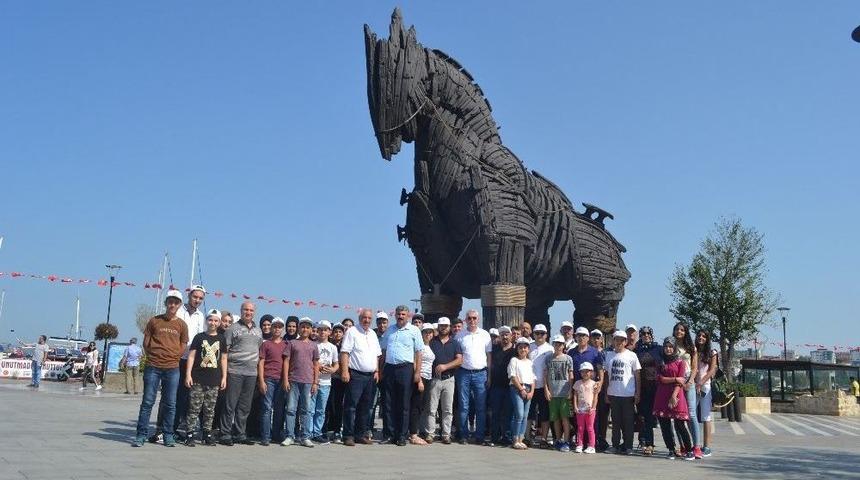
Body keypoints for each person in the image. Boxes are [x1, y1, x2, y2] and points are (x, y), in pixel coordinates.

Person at [133, 289, 189, 447]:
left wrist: (175, 356)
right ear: (166, 303)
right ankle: (141, 434)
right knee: (147, 402)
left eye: (176, 302)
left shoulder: (182, 325)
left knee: (170, 403)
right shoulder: (154, 321)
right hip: (153, 367)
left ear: (179, 305)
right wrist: (152, 355)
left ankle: (168, 435)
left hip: (172, 368)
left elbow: (184, 344)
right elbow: (146, 341)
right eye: (170, 302)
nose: (173, 305)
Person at [219, 301, 262, 446]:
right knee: (230, 404)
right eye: (246, 310)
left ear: (254, 312)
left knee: (245, 406)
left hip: (251, 373)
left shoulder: (258, 331)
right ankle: (225, 433)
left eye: (251, 310)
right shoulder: (232, 328)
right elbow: (225, 351)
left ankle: (239, 433)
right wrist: (224, 373)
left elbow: (257, 349)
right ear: (241, 310)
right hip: (234, 371)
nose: (248, 312)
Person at [380, 306, 424, 446]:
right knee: (388, 402)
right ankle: (389, 434)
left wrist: (417, 373)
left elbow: (419, 353)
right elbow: (383, 351)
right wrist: (380, 370)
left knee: (404, 404)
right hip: (389, 368)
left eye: (403, 314)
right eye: (398, 314)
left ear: (408, 315)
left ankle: (401, 435)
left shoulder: (414, 330)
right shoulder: (389, 330)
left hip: (405, 368)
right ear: (395, 315)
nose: (400, 316)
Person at [184, 309, 227, 446]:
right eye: (210, 320)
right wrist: (188, 374)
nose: (213, 323)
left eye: (215, 320)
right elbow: (191, 356)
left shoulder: (221, 339)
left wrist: (224, 377)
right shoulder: (199, 337)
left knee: (210, 409)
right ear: (206, 321)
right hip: (198, 378)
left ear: (219, 323)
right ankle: (189, 433)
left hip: (214, 379)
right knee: (194, 408)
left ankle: (206, 433)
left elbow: (224, 359)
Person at [339, 308, 382, 446]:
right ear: (359, 318)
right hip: (356, 374)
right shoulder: (352, 331)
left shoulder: (373, 334)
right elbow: (345, 352)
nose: (367, 320)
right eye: (364, 317)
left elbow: (377, 355)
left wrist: (377, 370)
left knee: (365, 407)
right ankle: (348, 435)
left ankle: (360, 434)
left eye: (369, 318)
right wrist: (344, 371)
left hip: (370, 376)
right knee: (351, 406)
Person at [171, 284, 206, 439]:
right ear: (189, 296)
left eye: (200, 298)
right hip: (174, 358)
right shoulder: (178, 311)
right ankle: (164, 428)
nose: (197, 300)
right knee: (171, 394)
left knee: (185, 396)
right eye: (195, 297)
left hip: (190, 361)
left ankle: (179, 426)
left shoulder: (200, 316)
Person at [455, 309, 492, 445]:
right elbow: (456, 356)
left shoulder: (485, 335)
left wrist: (489, 375)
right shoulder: (459, 336)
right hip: (463, 373)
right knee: (463, 406)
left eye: (474, 318)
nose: (472, 320)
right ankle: (463, 435)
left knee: (480, 407)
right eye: (469, 318)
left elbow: (489, 356)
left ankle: (479, 436)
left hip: (481, 373)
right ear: (465, 320)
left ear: (478, 319)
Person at [281, 317, 320, 447]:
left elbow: (316, 364)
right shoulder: (292, 343)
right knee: (290, 409)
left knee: (306, 410)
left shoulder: (314, 345)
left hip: (308, 382)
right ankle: (290, 436)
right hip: (293, 380)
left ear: (311, 330)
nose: (305, 329)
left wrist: (315, 382)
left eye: (307, 327)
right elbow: (286, 361)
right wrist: (285, 379)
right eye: (302, 327)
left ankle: (305, 437)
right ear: (299, 328)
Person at [654, 336, 694, 461]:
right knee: (665, 425)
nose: (668, 349)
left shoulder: (680, 362)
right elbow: (660, 379)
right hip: (662, 395)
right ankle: (671, 449)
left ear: (675, 348)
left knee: (680, 424)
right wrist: (675, 379)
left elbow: (681, 381)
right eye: (666, 346)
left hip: (676, 396)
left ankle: (689, 450)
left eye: (671, 347)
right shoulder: (660, 362)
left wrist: (673, 396)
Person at [603, 330, 641, 455]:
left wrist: (638, 393)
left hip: (628, 394)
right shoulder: (609, 355)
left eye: (621, 340)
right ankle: (615, 445)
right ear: (613, 341)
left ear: (625, 342)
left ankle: (628, 446)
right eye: (616, 339)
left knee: (628, 422)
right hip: (613, 393)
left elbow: (637, 375)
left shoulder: (632, 355)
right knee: (615, 422)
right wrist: (606, 393)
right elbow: (606, 375)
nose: (619, 342)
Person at [426, 316, 462, 444]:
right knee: (431, 409)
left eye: (446, 326)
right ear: (438, 327)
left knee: (447, 409)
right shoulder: (432, 342)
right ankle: (430, 433)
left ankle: (446, 434)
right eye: (441, 326)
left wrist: (445, 366)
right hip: (434, 379)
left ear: (449, 327)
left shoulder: (455, 343)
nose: (443, 328)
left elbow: (459, 360)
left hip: (449, 379)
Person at [257, 317, 287, 446]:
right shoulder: (266, 344)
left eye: (279, 327)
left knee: (279, 409)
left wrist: (286, 380)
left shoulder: (286, 344)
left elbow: (288, 362)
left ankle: (276, 435)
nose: (277, 329)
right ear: (271, 328)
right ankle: (265, 436)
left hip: (281, 380)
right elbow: (261, 362)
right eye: (275, 326)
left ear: (282, 329)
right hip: (268, 379)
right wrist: (261, 380)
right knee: (266, 408)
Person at [673, 321, 701, 458]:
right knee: (676, 415)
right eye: (677, 329)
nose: (679, 332)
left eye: (682, 330)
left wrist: (690, 381)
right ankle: (683, 446)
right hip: (676, 383)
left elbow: (695, 367)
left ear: (686, 332)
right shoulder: (671, 346)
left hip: (688, 381)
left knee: (691, 414)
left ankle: (697, 447)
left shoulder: (691, 347)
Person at [635, 325, 662, 455]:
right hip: (643, 388)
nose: (646, 335)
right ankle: (647, 443)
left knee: (662, 417)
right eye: (643, 334)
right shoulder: (637, 350)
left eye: (648, 333)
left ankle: (673, 445)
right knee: (645, 417)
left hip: (658, 387)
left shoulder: (658, 349)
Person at [311, 320, 339, 443]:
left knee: (321, 410)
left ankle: (317, 432)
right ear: (317, 331)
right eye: (320, 329)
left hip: (326, 382)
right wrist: (318, 367)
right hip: (313, 381)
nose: (322, 332)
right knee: (310, 409)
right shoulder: (313, 345)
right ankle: (308, 432)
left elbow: (336, 363)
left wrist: (333, 369)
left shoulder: (333, 347)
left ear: (329, 332)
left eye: (325, 329)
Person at [545, 334, 574, 452]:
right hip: (553, 393)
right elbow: (546, 375)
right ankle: (558, 439)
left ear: (563, 346)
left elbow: (571, 375)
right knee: (555, 418)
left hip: (564, 393)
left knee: (565, 418)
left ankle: (566, 441)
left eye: (560, 344)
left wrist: (570, 390)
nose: (558, 346)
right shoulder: (548, 358)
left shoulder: (568, 358)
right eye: (556, 344)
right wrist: (546, 389)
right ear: (553, 345)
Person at [526, 324, 553, 448]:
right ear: (533, 334)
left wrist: (548, 388)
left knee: (544, 414)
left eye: (542, 333)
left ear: (546, 335)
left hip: (543, 386)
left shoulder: (550, 349)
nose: (539, 335)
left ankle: (544, 439)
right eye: (537, 333)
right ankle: (527, 437)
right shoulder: (528, 346)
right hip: (530, 385)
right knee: (529, 413)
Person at [488, 325, 515, 446]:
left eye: (506, 334)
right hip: (496, 385)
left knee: (508, 413)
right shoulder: (494, 349)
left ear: (511, 336)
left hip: (510, 386)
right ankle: (494, 437)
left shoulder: (515, 350)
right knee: (495, 412)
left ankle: (507, 437)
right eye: (502, 334)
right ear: (499, 336)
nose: (504, 337)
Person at [409, 323, 435, 444]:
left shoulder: (430, 346)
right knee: (416, 406)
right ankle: (413, 433)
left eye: (430, 332)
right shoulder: (419, 346)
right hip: (421, 377)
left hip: (428, 378)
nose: (428, 334)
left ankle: (418, 430)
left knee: (422, 406)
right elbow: (414, 362)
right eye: (425, 332)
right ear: (421, 334)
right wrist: (419, 380)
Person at [508, 337, 534, 450]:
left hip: (528, 388)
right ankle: (515, 439)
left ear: (528, 349)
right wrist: (521, 389)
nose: (523, 349)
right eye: (521, 347)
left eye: (525, 347)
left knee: (525, 416)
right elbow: (513, 376)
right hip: (516, 388)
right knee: (519, 414)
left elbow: (533, 378)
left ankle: (521, 439)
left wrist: (531, 391)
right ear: (517, 349)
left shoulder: (530, 362)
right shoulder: (514, 360)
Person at [695, 329, 718, 457]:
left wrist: (701, 382)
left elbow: (712, 370)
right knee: (691, 415)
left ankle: (707, 446)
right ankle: (694, 445)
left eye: (704, 336)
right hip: (693, 386)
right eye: (699, 335)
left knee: (706, 417)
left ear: (707, 339)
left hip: (705, 388)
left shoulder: (712, 353)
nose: (701, 338)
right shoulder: (693, 350)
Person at [370, 310, 392, 441]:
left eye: (384, 322)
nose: (382, 325)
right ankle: (369, 428)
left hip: (387, 374)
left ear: (387, 323)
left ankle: (387, 431)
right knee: (371, 403)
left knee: (387, 404)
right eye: (379, 322)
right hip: (374, 373)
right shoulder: (372, 335)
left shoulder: (391, 335)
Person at [324, 323, 346, 442]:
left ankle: (337, 430)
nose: (338, 334)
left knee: (338, 406)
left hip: (341, 380)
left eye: (340, 332)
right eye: (336, 332)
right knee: (329, 405)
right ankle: (329, 429)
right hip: (329, 379)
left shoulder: (345, 347)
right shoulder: (329, 346)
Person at [572, 362, 599, 453]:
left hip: (590, 410)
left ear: (591, 372)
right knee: (580, 428)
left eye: (587, 371)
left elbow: (595, 397)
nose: (585, 373)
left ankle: (592, 446)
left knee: (590, 428)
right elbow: (575, 395)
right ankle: (579, 444)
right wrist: (575, 406)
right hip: (580, 409)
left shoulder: (594, 384)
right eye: (583, 371)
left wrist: (593, 407)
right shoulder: (577, 383)